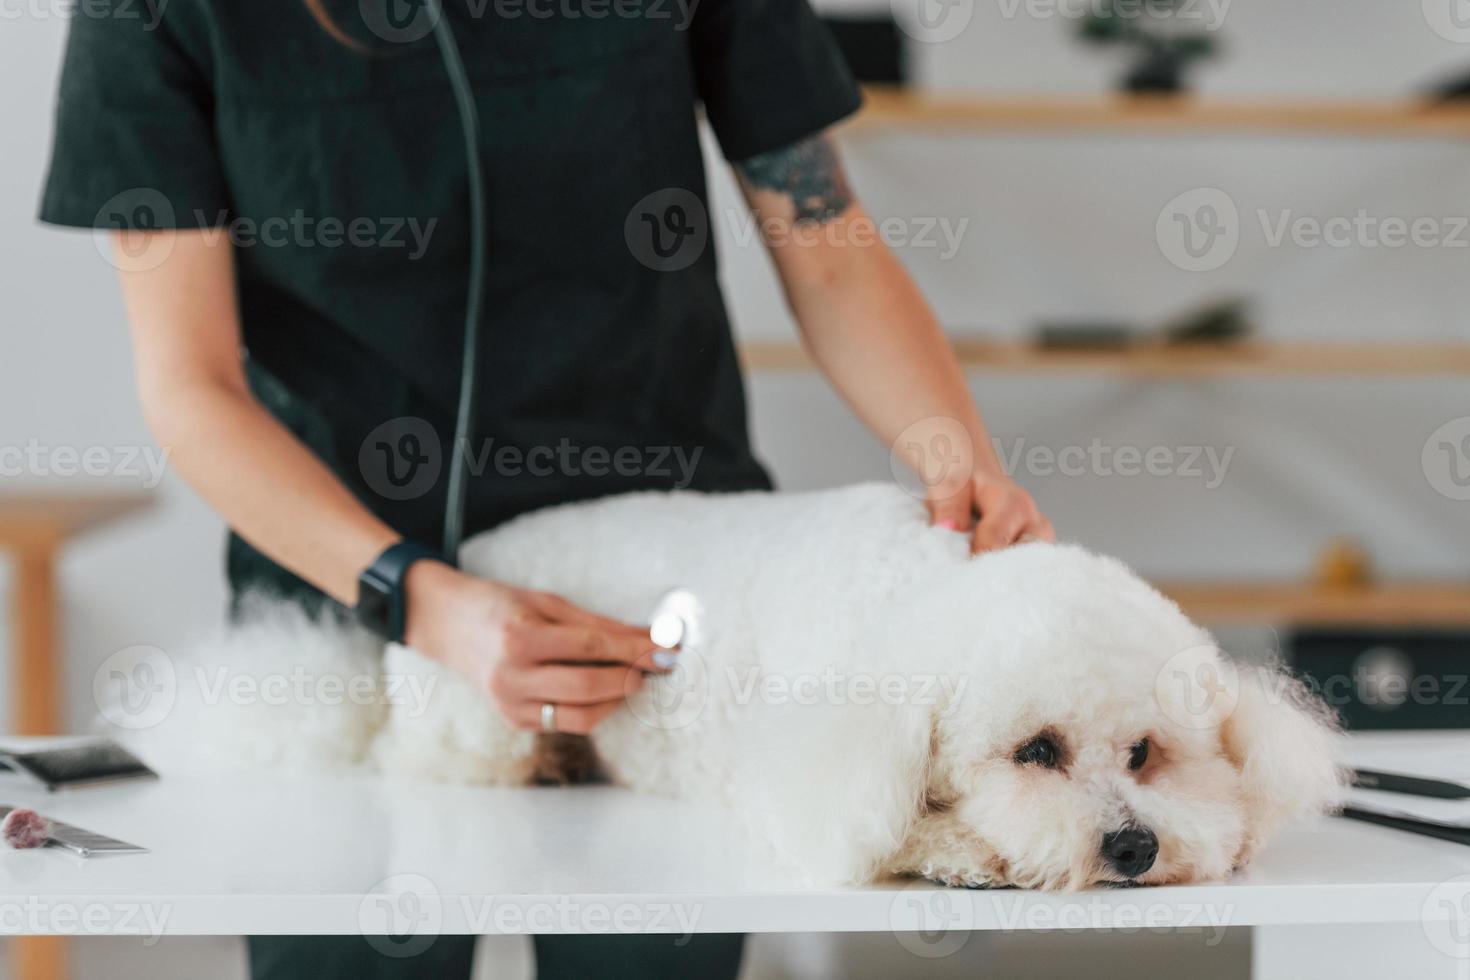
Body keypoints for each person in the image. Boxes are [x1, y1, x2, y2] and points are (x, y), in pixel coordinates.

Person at [39, 0, 1054, 975]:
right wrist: (422, 599)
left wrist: (960, 464)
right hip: (347, 616)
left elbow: (826, 242)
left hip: (662, 621)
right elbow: (191, 385)